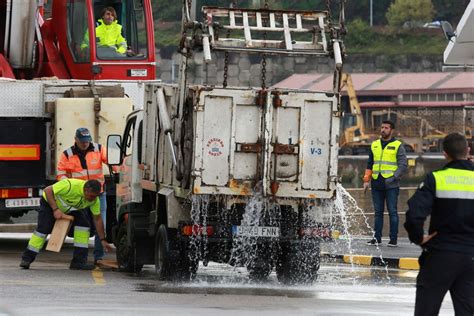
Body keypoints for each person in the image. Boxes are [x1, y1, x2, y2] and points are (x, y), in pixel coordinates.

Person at [405, 133, 474, 315]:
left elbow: (414, 214)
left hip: (440, 254)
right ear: (468, 151)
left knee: (426, 310)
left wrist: (419, 238)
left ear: (445, 154)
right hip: (471, 257)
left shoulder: (435, 179)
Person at [20, 179, 112, 270]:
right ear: (85, 190)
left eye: (96, 196)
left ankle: (78, 262)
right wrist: (55, 209)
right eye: (91, 196)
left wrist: (102, 239)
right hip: (50, 203)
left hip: (70, 209)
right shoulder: (70, 185)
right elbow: (48, 190)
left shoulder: (94, 200)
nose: (93, 199)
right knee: (43, 229)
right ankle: (26, 259)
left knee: (84, 225)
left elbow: (98, 219)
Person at [57, 128, 109, 265]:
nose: (85, 144)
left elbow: (112, 162)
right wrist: (67, 184)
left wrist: (120, 171)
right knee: (82, 228)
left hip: (98, 194)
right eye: (82, 141)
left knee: (100, 224)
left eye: (87, 141)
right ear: (76, 140)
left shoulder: (99, 149)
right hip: (80, 195)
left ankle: (99, 257)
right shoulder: (67, 154)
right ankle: (81, 258)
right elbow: (61, 173)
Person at [363, 120, 407, 247]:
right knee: (378, 212)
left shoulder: (398, 145)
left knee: (392, 211)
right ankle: (377, 238)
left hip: (391, 184)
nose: (383, 130)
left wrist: (393, 178)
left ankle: (393, 239)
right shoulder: (375, 144)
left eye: (386, 128)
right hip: (376, 183)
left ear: (391, 130)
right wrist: (366, 180)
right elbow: (370, 163)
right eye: (382, 127)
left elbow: (403, 165)